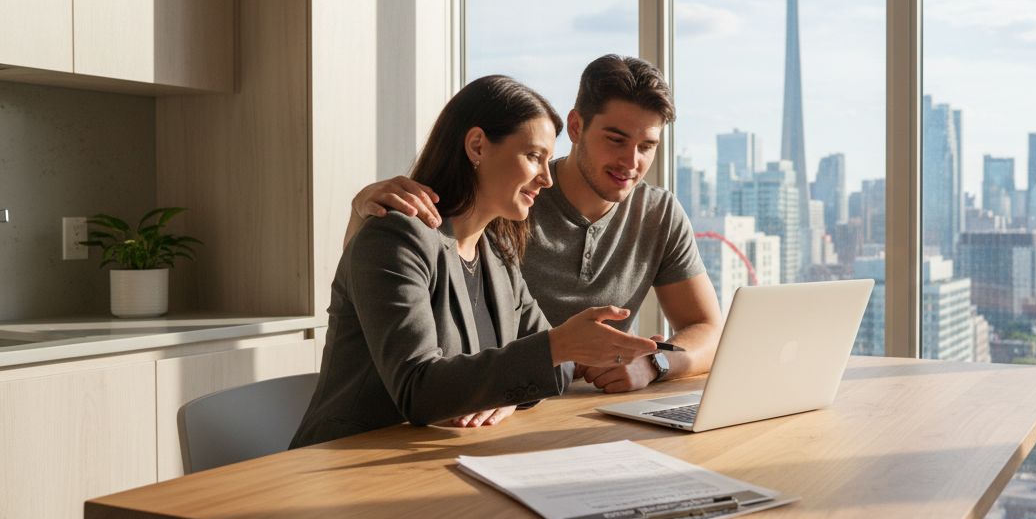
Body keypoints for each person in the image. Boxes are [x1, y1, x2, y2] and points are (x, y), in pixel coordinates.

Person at [292, 74, 658, 449]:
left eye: (549, 160)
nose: (546, 179)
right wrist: (555, 347)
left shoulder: (498, 251)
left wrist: (507, 395)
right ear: (478, 146)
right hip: (345, 460)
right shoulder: (396, 238)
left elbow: (560, 368)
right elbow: (418, 390)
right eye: (534, 157)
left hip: (438, 457)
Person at [350, 55, 722, 394]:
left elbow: (709, 329)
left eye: (647, 146)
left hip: (534, 409)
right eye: (615, 139)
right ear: (576, 127)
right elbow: (384, 300)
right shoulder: (507, 206)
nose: (631, 160)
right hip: (441, 417)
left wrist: (653, 362)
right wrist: (361, 212)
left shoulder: (655, 213)